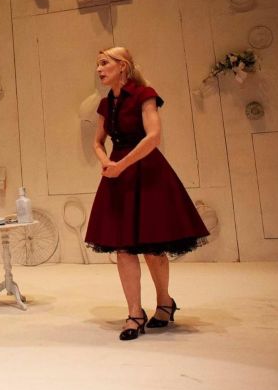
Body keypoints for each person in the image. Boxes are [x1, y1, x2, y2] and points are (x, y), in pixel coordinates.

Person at [85, 47, 209, 341]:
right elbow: (98, 142)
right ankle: (134, 313)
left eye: (104, 63)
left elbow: (153, 136)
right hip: (118, 176)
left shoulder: (144, 94)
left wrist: (121, 165)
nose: (99, 69)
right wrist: (107, 163)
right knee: (123, 248)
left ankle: (165, 302)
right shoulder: (105, 104)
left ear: (122, 66)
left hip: (147, 172)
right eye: (97, 64)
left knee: (153, 247)